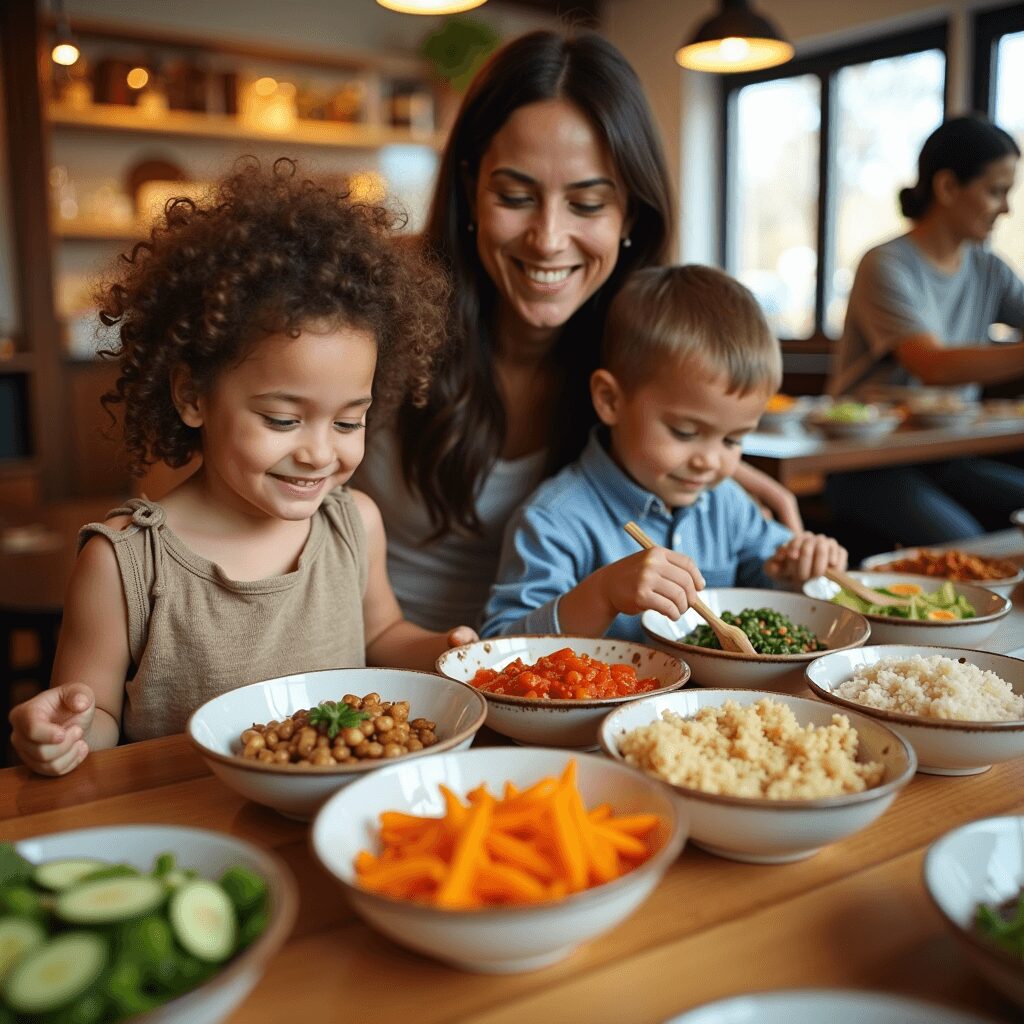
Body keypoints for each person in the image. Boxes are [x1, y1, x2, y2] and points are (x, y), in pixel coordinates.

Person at [9, 160, 476, 777]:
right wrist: (64, 729)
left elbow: (382, 633)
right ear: (192, 397)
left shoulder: (354, 523)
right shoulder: (123, 562)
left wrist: (441, 650)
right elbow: (96, 720)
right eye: (283, 420)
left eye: (346, 422)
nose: (318, 452)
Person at [354, 29, 803, 633]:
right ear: (470, 189)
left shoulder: (640, 351)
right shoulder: (379, 318)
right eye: (515, 196)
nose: (547, 238)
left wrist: (703, 457)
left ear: (630, 214)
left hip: (571, 688)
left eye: (587, 205)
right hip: (389, 678)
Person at [481, 265, 847, 642]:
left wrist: (798, 568)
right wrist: (602, 595)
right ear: (610, 400)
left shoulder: (726, 504)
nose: (710, 461)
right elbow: (500, 647)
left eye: (732, 440)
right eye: (685, 432)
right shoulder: (554, 522)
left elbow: (769, 585)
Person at [827, 114, 1024, 546]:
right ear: (948, 187)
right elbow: (931, 364)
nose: (1007, 209)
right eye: (996, 192)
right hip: (865, 463)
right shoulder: (885, 263)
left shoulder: (990, 268)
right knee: (967, 544)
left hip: (948, 456)